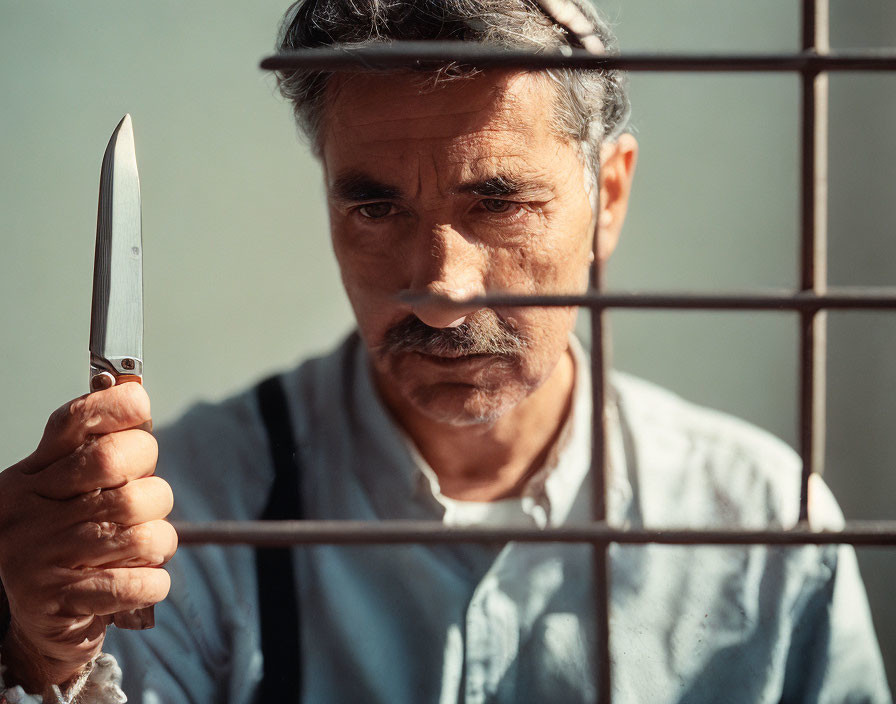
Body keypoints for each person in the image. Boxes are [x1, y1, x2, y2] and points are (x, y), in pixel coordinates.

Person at [0, 1, 890, 702]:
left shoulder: (763, 529)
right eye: (376, 208)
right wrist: (37, 657)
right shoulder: (184, 516)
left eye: (499, 203)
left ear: (608, 198)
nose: (443, 288)